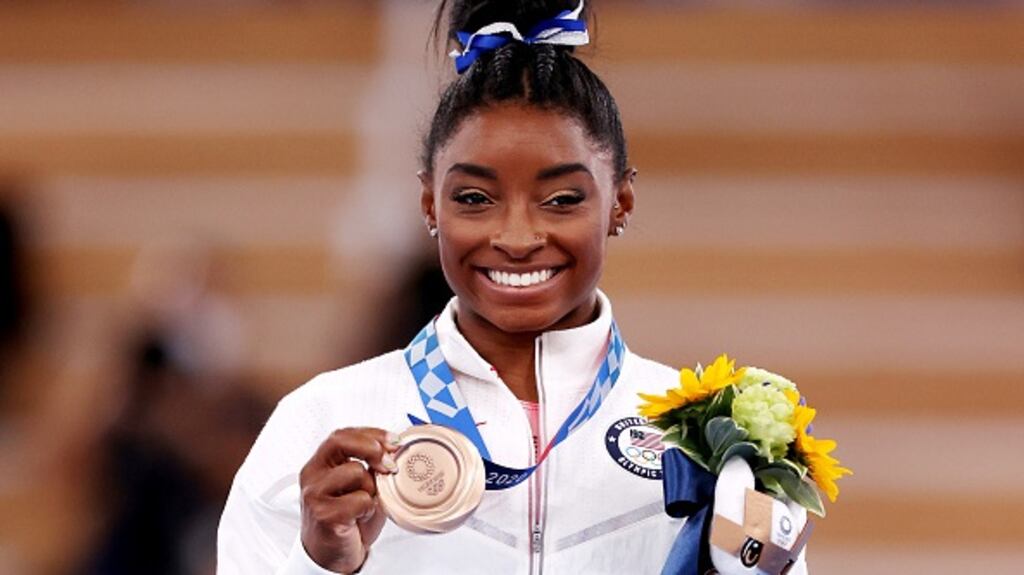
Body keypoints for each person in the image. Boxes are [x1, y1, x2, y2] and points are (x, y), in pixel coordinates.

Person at [218, 1, 809, 573]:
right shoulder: (322, 420)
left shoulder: (710, 440)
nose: (518, 237)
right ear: (430, 203)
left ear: (620, 202)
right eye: (475, 198)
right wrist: (321, 565)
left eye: (562, 200)